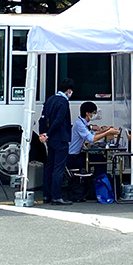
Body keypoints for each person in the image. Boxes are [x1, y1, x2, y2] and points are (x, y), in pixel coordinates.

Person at [68, 101, 119, 202]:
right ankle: (98, 185)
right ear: (88, 113)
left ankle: (98, 185)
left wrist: (105, 130)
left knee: (99, 158)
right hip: (73, 157)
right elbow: (91, 138)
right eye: (93, 113)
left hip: (75, 154)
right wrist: (108, 132)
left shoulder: (82, 123)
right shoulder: (80, 125)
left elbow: (91, 133)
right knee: (100, 160)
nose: (93, 115)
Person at [39, 78, 76, 206]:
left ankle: (46, 195)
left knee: (49, 166)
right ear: (68, 90)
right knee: (58, 168)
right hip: (60, 138)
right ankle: (56, 196)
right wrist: (48, 134)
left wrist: (43, 133)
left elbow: (43, 118)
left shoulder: (50, 99)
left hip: (50, 139)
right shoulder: (63, 102)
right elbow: (59, 120)